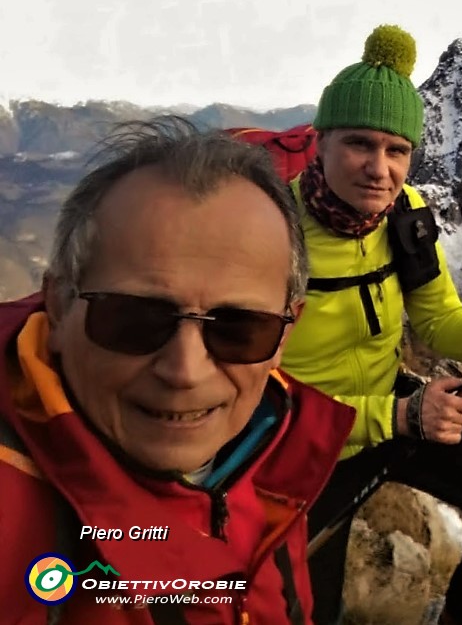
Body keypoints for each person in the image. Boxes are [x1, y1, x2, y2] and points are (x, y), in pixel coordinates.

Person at [0, 117, 356, 624]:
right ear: (59, 306)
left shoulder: (274, 452)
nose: (185, 370)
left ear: (284, 333)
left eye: (239, 328)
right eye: (135, 319)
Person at [282, 24, 462, 625]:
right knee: (304, 610)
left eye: (397, 150)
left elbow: (437, 320)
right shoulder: (271, 234)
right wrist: (402, 417)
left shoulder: (404, 215)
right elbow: (249, 398)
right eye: (359, 144)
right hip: (301, 440)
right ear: (319, 142)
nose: (379, 169)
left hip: (391, 404)